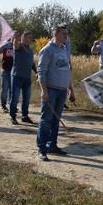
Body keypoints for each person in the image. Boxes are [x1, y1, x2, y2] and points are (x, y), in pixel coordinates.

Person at [36, 24, 76, 160]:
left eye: (67, 33)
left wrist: (70, 89)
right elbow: (41, 72)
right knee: (46, 120)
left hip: (62, 90)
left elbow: (67, 71)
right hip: (51, 90)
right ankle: (42, 149)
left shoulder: (64, 50)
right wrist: (44, 91)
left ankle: (52, 145)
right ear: (55, 35)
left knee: (55, 120)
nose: (66, 36)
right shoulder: (47, 50)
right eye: (63, 33)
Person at [10, 30, 37, 125]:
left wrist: (36, 72)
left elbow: (32, 63)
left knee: (26, 98)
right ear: (24, 38)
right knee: (15, 98)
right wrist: (16, 37)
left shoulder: (30, 50)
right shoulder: (19, 46)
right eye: (29, 37)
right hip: (17, 76)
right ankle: (13, 116)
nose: (31, 39)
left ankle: (25, 116)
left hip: (27, 77)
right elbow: (15, 45)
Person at [0, 35, 15, 113]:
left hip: (14, 71)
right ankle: (3, 105)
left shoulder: (19, 46)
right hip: (5, 70)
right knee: (4, 88)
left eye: (18, 35)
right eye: (14, 35)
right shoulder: (6, 45)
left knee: (12, 89)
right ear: (11, 37)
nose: (16, 37)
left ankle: (11, 105)